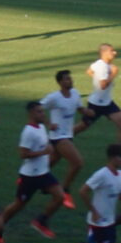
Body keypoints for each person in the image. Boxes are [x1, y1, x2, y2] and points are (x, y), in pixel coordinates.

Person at [1, 100, 62, 238]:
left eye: (43, 111)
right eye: (39, 112)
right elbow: (23, 154)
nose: (43, 114)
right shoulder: (28, 132)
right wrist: (44, 152)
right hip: (30, 176)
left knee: (59, 196)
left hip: (43, 173)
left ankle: (41, 222)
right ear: (31, 113)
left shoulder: (41, 127)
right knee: (19, 205)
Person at [43, 69, 88, 208]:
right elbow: (37, 109)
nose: (71, 80)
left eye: (70, 78)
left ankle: (27, 178)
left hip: (68, 135)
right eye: (67, 79)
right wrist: (49, 124)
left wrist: (89, 112)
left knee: (49, 163)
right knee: (77, 163)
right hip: (58, 136)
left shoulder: (75, 93)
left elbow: (80, 108)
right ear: (60, 82)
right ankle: (65, 191)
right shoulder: (54, 97)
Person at [85, 45, 121, 142]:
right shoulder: (102, 67)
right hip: (96, 104)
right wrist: (113, 74)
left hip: (107, 102)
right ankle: (63, 140)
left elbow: (89, 71)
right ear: (104, 53)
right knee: (82, 127)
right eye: (111, 51)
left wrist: (97, 78)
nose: (115, 53)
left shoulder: (100, 64)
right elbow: (103, 85)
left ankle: (119, 150)